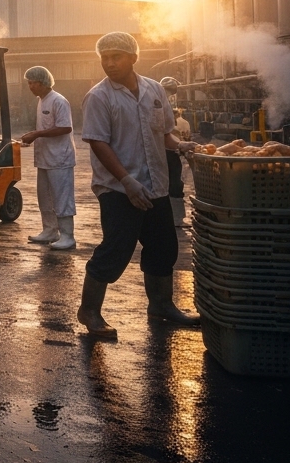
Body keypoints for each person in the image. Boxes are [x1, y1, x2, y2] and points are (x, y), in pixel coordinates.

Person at [77, 33, 199, 339]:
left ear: (133, 57)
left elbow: (165, 134)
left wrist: (181, 146)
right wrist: (126, 180)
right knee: (116, 248)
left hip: (155, 185)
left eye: (116, 56)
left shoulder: (155, 90)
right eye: (104, 57)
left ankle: (161, 304)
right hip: (118, 189)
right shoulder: (99, 96)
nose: (109, 63)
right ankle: (89, 311)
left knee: (163, 247)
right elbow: (97, 142)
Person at [20, 65, 76, 251]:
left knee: (61, 196)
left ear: (43, 83)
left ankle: (68, 235)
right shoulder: (41, 100)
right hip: (45, 158)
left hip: (59, 158)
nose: (30, 86)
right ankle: (50, 230)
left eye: (32, 82)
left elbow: (65, 128)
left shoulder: (58, 101)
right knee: (44, 196)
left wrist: (36, 134)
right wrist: (35, 135)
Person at [159, 77, 188, 226]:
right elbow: (165, 129)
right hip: (167, 148)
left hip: (170, 147)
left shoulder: (165, 101)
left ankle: (174, 216)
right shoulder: (161, 101)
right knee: (174, 181)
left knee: (173, 179)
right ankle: (176, 217)